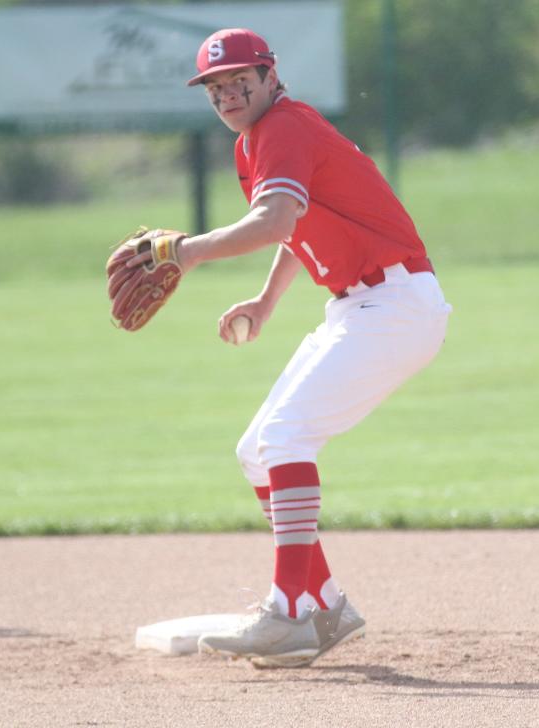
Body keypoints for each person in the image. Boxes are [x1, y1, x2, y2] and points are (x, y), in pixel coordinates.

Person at [174, 28, 450, 667]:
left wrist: (188, 252)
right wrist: (267, 301)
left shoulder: (284, 129)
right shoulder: (258, 141)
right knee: (257, 452)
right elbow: (294, 227)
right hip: (363, 304)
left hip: (395, 303)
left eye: (239, 80)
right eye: (214, 88)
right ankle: (323, 603)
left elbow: (272, 220)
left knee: (287, 440)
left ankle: (288, 610)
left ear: (272, 76)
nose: (227, 94)